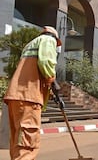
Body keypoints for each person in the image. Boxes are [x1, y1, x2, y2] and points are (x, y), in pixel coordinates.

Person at [3, 26, 62, 160]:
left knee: (18, 141)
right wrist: (52, 81)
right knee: (27, 143)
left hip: (16, 96)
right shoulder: (48, 40)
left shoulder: (30, 44)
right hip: (29, 97)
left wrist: (49, 91)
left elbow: (33, 70)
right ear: (54, 38)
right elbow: (46, 63)